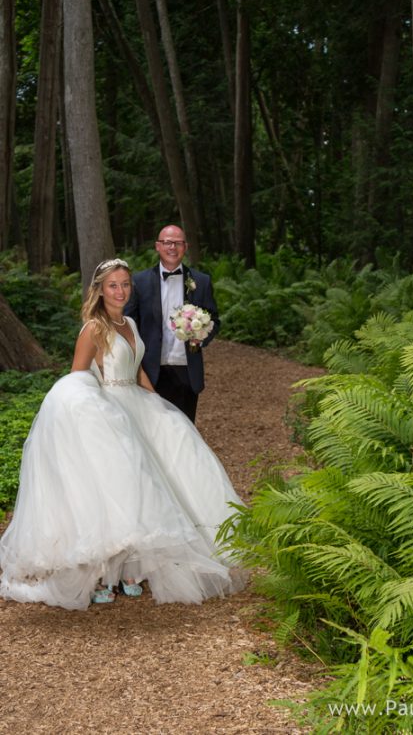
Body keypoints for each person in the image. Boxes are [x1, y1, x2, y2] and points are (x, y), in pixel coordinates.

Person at [0, 259, 245, 611]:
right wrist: (95, 413)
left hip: (136, 401)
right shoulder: (93, 329)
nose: (121, 291)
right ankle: (103, 574)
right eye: (113, 285)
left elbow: (137, 367)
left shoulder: (128, 322)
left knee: (152, 478)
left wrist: (156, 400)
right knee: (114, 487)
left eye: (125, 284)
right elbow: (76, 379)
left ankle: (134, 568)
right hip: (106, 411)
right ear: (100, 290)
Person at [125, 225, 218, 423]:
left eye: (178, 243)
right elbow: (129, 323)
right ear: (158, 246)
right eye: (167, 242)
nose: (172, 247)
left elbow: (214, 321)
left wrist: (200, 337)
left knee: (185, 430)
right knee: (153, 430)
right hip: (150, 371)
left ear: (185, 247)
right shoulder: (139, 282)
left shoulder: (201, 281)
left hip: (186, 370)